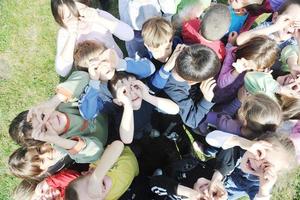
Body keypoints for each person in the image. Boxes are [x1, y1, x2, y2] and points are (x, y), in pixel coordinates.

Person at [9, 71, 108, 163]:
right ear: (46, 139)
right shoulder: (63, 143)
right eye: (45, 128)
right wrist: (58, 140)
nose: (49, 121)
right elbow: (96, 152)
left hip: (110, 102)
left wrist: (54, 101)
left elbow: (83, 76)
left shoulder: (61, 104)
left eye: (43, 116)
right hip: (116, 132)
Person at [51, 0, 134, 76]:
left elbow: (129, 35)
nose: (79, 19)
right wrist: (72, 36)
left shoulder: (98, 15)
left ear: (87, 4)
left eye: (82, 11)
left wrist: (99, 19)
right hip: (93, 77)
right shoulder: (65, 33)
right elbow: (62, 71)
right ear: (61, 22)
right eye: (69, 18)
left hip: (117, 64)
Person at [206, 131, 297, 200]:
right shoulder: (240, 147)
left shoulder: (257, 183)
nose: (257, 162)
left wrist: (263, 191)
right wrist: (240, 141)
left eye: (266, 167)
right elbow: (210, 137)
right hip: (209, 171)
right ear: (255, 142)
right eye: (259, 152)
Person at [107, 71, 179, 144]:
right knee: (139, 137)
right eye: (124, 92)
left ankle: (150, 132)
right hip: (135, 131)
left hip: (148, 121)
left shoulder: (145, 98)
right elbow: (127, 140)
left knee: (149, 127)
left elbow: (175, 109)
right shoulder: (120, 116)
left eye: (135, 86)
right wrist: (128, 106)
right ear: (118, 101)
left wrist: (147, 96)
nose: (132, 93)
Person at [163, 44, 220, 129]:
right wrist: (207, 100)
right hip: (171, 117)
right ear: (191, 82)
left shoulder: (178, 53)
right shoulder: (176, 92)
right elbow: (192, 121)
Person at [64, 140, 139, 200]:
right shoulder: (109, 197)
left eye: (90, 187)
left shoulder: (97, 164)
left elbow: (118, 145)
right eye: (94, 198)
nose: (97, 190)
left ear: (87, 172)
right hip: (136, 170)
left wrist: (96, 178)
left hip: (131, 150)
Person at [214, 36, 278, 103]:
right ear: (245, 52)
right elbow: (221, 83)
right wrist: (236, 71)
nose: (248, 68)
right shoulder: (232, 55)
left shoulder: (260, 66)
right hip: (215, 93)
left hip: (231, 97)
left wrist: (262, 79)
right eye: (247, 64)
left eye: (253, 68)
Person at [199, 93, 282, 139]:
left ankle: (202, 132)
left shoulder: (228, 126)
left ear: (244, 120)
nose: (242, 105)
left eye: (243, 105)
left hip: (217, 122)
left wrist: (238, 101)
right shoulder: (257, 134)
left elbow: (222, 114)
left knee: (203, 117)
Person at [12, 169, 80, 200]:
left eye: (42, 191)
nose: (46, 196)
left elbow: (76, 179)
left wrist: (49, 182)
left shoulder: (61, 188)